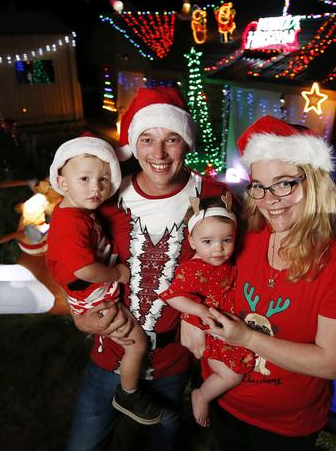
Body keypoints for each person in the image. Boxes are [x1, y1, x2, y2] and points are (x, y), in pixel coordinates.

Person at [65, 87, 231, 451]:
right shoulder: (106, 197)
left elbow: (235, 265)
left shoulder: (213, 197)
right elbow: (68, 258)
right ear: (133, 144)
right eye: (147, 139)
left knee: (164, 444)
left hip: (173, 360)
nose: (158, 154)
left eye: (171, 139)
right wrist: (79, 316)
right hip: (110, 351)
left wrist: (195, 315)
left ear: (186, 142)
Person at [200, 115, 336, 450]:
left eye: (285, 183)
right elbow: (206, 274)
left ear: (314, 181)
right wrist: (190, 318)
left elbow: (332, 363)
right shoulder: (246, 233)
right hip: (223, 397)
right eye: (260, 186)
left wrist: (247, 338)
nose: (270, 199)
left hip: (285, 427)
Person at [46, 135, 163, 426]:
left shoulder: (78, 212)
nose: (95, 188)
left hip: (92, 293)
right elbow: (84, 269)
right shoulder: (70, 223)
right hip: (94, 295)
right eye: (84, 179)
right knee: (135, 344)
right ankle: (128, 394)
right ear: (62, 183)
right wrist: (118, 273)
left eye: (103, 180)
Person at [159, 194, 254, 428]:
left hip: (227, 325)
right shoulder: (192, 269)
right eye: (208, 242)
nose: (219, 249)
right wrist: (201, 311)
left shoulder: (223, 262)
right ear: (192, 241)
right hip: (212, 330)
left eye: (227, 240)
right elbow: (174, 296)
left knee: (243, 365)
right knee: (232, 375)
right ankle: (201, 395)